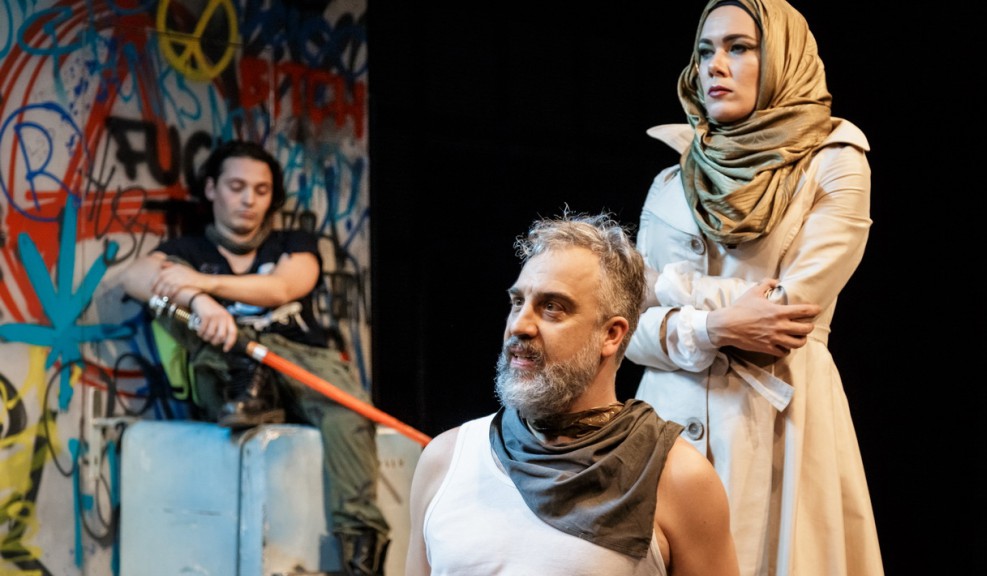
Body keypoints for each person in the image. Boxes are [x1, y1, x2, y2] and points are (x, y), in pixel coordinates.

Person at [625, 1, 884, 575]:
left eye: (739, 47)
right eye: (705, 51)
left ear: (783, 57)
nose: (715, 66)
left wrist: (669, 288)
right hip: (664, 425)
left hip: (776, 423)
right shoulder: (669, 181)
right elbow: (624, 329)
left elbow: (788, 312)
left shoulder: (834, 163)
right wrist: (712, 325)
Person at [405, 211, 740, 576]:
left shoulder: (678, 479)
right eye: (517, 303)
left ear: (611, 335)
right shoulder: (445, 461)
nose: (519, 325)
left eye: (552, 307)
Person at [117, 139, 391, 575]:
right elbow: (134, 277)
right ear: (212, 189)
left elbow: (283, 288)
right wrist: (199, 302)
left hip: (299, 361)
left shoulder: (292, 243)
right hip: (225, 370)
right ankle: (251, 384)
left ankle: (361, 553)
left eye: (261, 190)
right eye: (236, 186)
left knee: (348, 410)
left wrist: (203, 285)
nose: (248, 199)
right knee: (179, 314)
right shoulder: (188, 252)